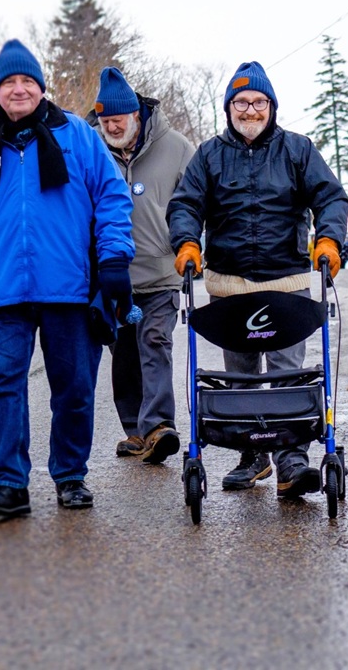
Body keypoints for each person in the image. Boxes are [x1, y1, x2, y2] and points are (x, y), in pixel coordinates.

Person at [0, 39, 136, 517]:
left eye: (27, 80)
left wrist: (113, 263)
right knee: (2, 385)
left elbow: (112, 201)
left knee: (73, 386)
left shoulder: (78, 137)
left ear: (41, 87)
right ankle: (10, 483)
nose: (19, 89)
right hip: (3, 290)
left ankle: (70, 476)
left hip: (68, 285)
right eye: (9, 82)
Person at [167, 61, 348, 499]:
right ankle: (252, 456)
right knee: (241, 377)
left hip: (286, 283)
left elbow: (330, 197)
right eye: (242, 102)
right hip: (229, 286)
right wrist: (187, 243)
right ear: (229, 107)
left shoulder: (297, 150)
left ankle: (292, 459)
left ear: (271, 106)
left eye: (259, 102)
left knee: (288, 374)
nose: (251, 110)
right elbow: (185, 204)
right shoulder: (209, 155)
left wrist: (328, 240)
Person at [88, 66, 195, 464]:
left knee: (155, 341)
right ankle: (135, 430)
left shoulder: (177, 147)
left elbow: (199, 201)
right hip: (113, 277)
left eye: (118, 119)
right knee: (125, 353)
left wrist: (195, 246)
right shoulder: (91, 150)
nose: (112, 126)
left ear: (137, 114)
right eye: (105, 120)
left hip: (164, 274)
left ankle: (158, 427)